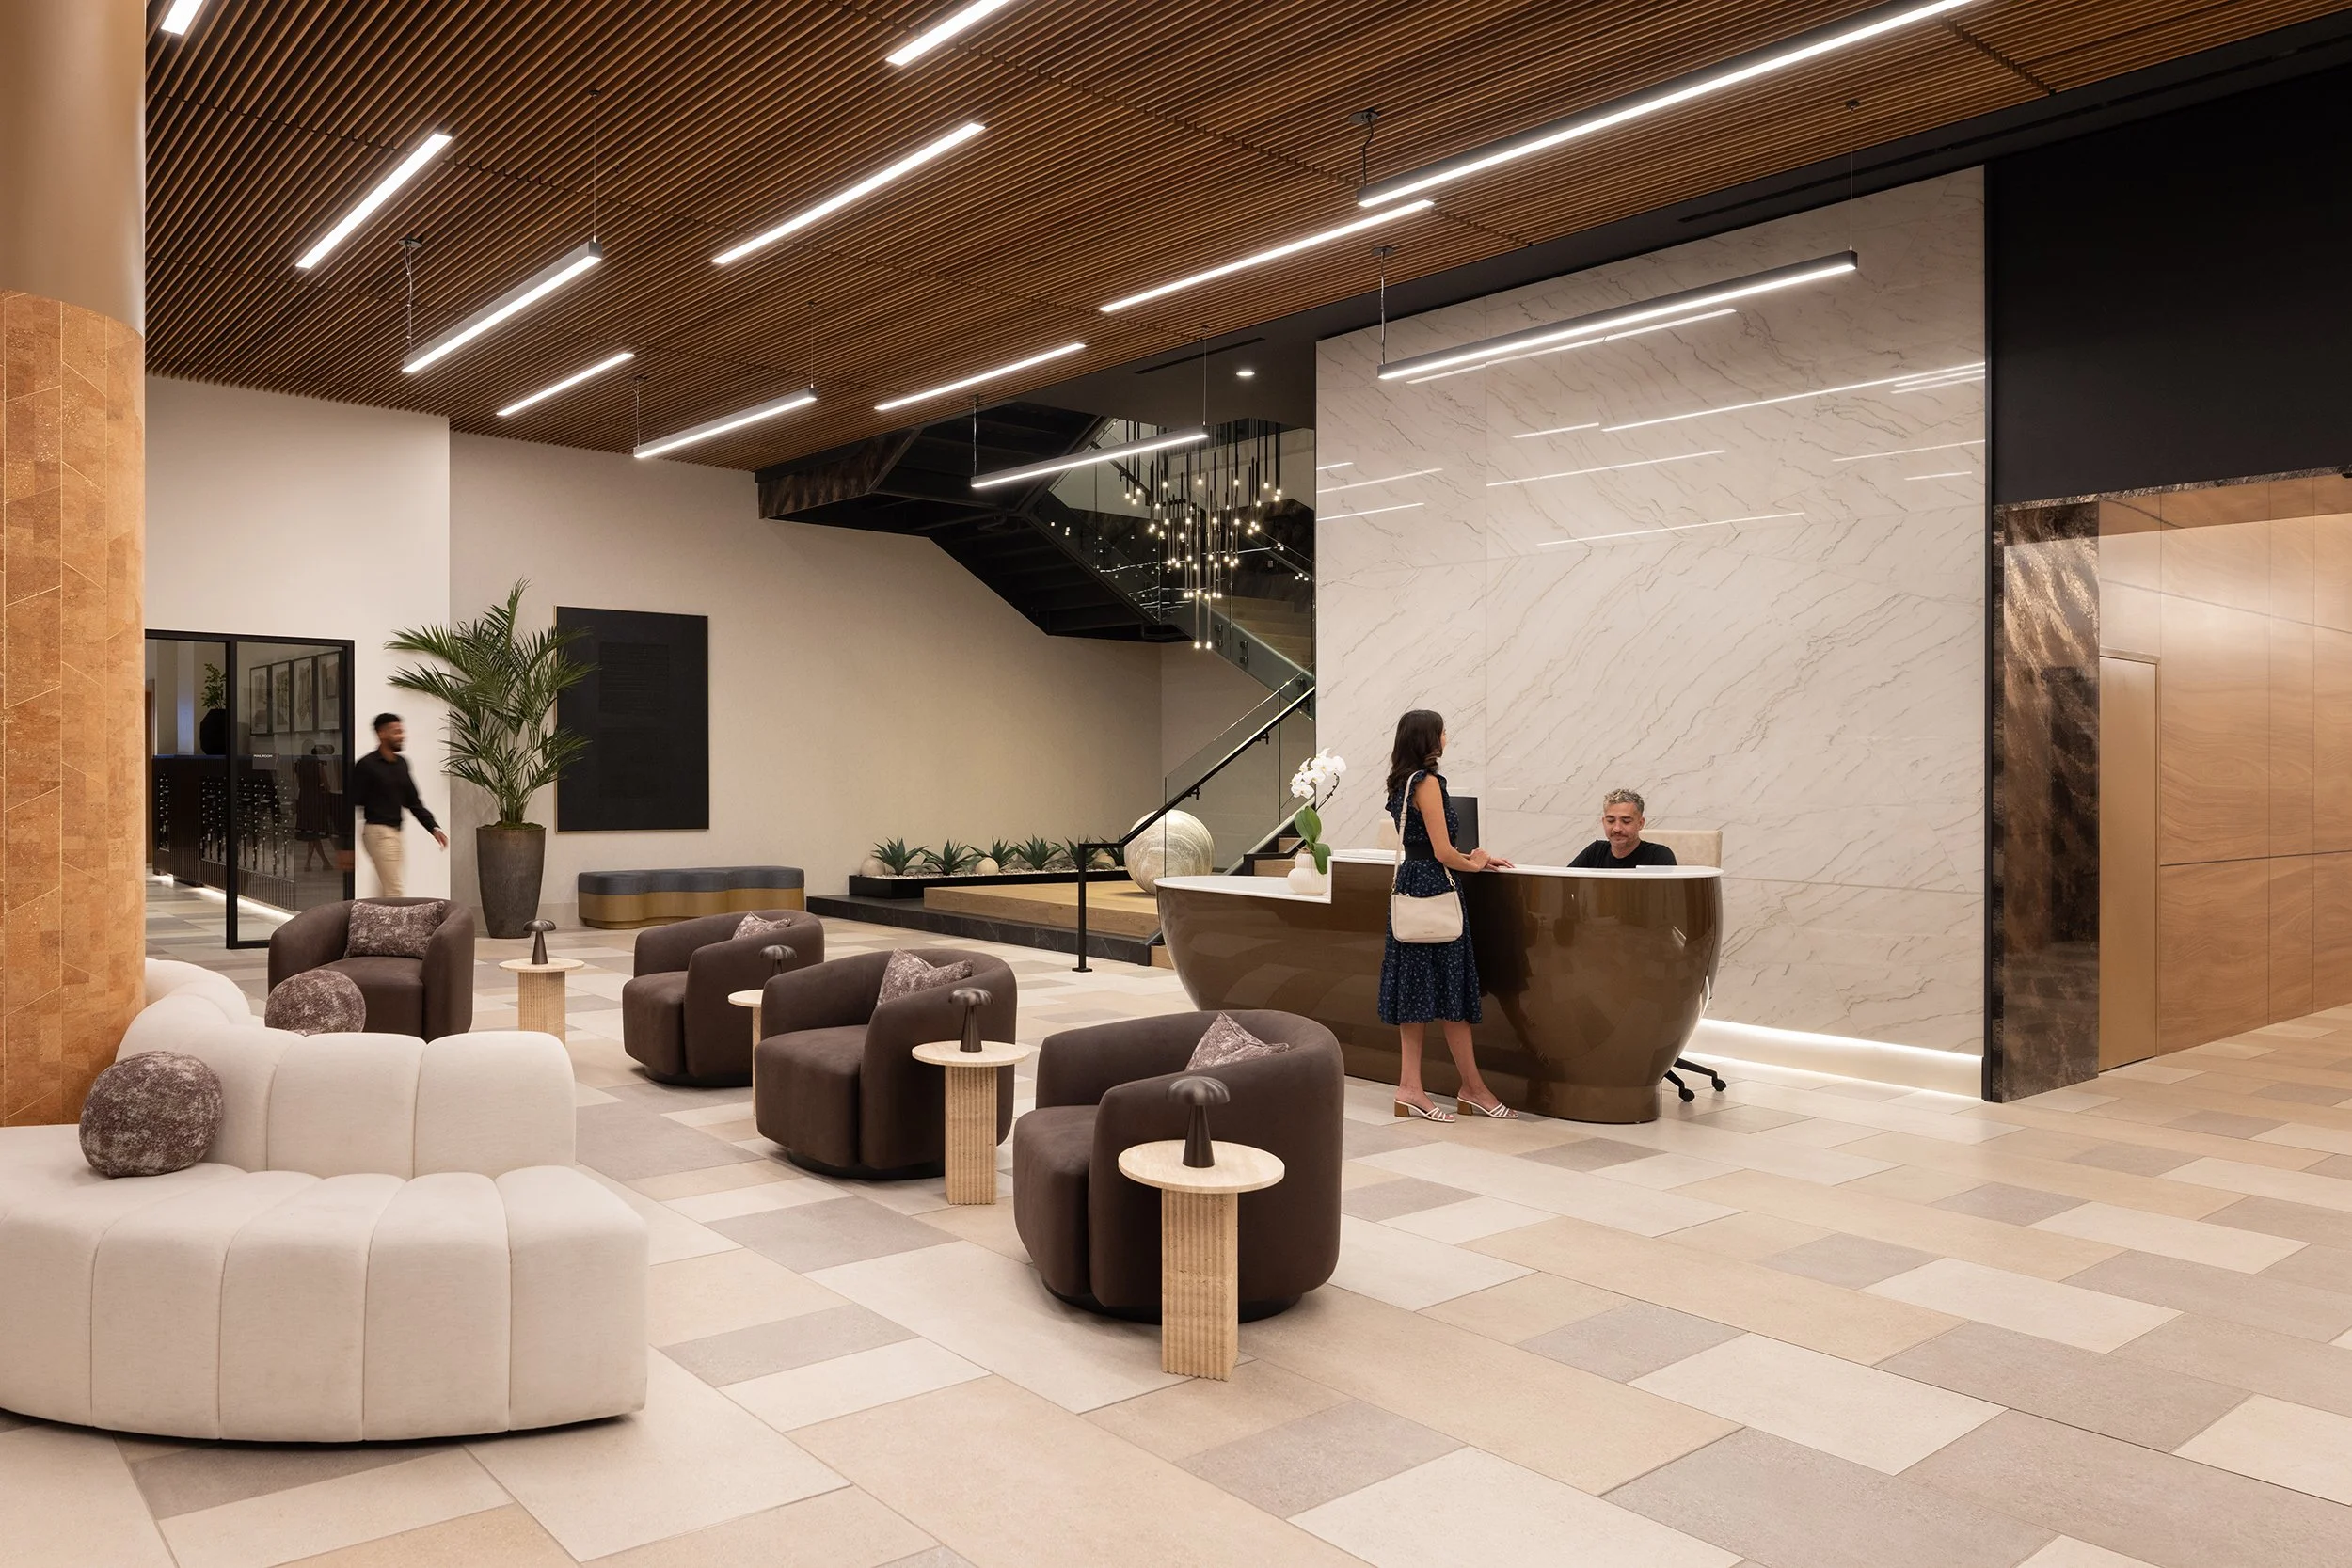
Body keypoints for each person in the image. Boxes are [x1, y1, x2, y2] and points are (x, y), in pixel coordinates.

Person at [1378, 709, 1518, 1121]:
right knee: (1452, 993)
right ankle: (1471, 1089)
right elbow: (1442, 851)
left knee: (1415, 993)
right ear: (1429, 738)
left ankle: (1411, 1088)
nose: (1447, 736)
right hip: (1436, 888)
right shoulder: (1427, 782)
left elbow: (1424, 844)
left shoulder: (1401, 782)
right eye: (1443, 731)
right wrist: (1476, 862)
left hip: (1411, 885)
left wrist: (1471, 857)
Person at [350, 713, 446, 896]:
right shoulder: (366, 765)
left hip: (395, 833)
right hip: (378, 833)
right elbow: (351, 802)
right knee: (395, 891)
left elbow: (413, 801)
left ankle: (374, 916)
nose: (402, 736)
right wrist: (346, 847)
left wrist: (433, 827)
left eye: (402, 731)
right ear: (381, 734)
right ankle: (399, 918)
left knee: (385, 890)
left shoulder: (401, 764)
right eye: (396, 732)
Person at [1569, 789, 1678, 869]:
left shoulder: (1658, 856)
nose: (1617, 828)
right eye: (1611, 821)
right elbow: (1565, 883)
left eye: (1626, 821)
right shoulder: (1595, 852)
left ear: (1640, 823)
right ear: (1603, 822)